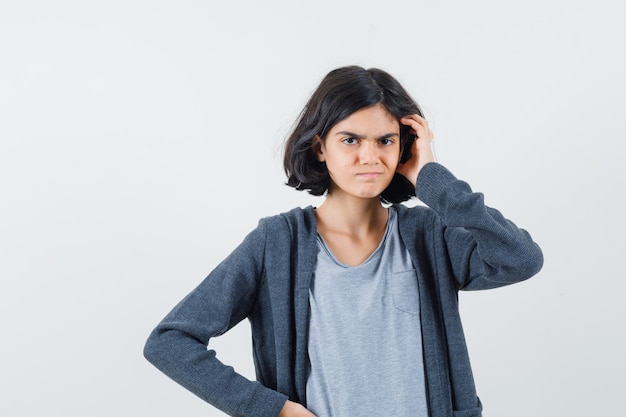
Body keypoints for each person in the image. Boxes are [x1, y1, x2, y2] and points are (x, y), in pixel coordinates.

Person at [143, 65, 543, 417]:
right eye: (351, 140)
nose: (370, 157)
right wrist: (274, 410)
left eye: (386, 140)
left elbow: (520, 259)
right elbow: (170, 342)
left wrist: (432, 178)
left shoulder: (429, 236)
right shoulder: (277, 244)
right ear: (320, 147)